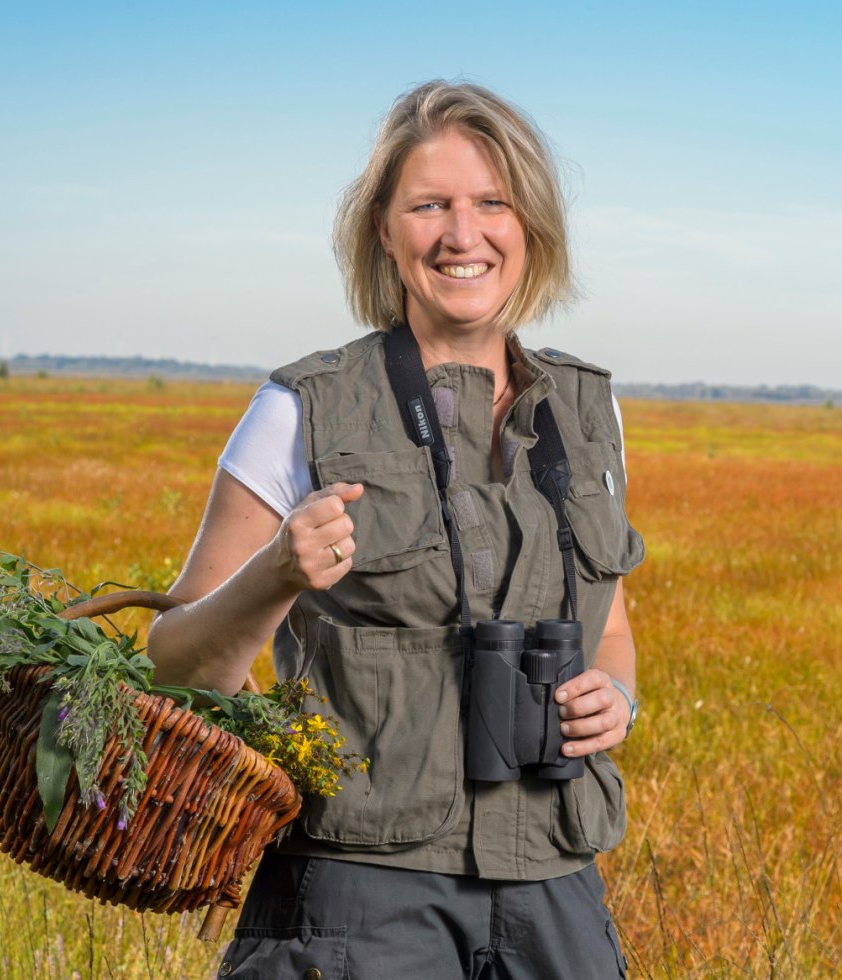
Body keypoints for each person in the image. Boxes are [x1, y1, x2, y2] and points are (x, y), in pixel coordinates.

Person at [147, 80, 644, 980]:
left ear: (530, 225)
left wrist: (618, 696)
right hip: (357, 900)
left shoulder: (587, 408)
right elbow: (176, 671)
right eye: (430, 206)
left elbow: (608, 628)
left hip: (556, 887)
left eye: (493, 203)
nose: (464, 234)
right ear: (383, 229)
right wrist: (274, 576)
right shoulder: (302, 408)